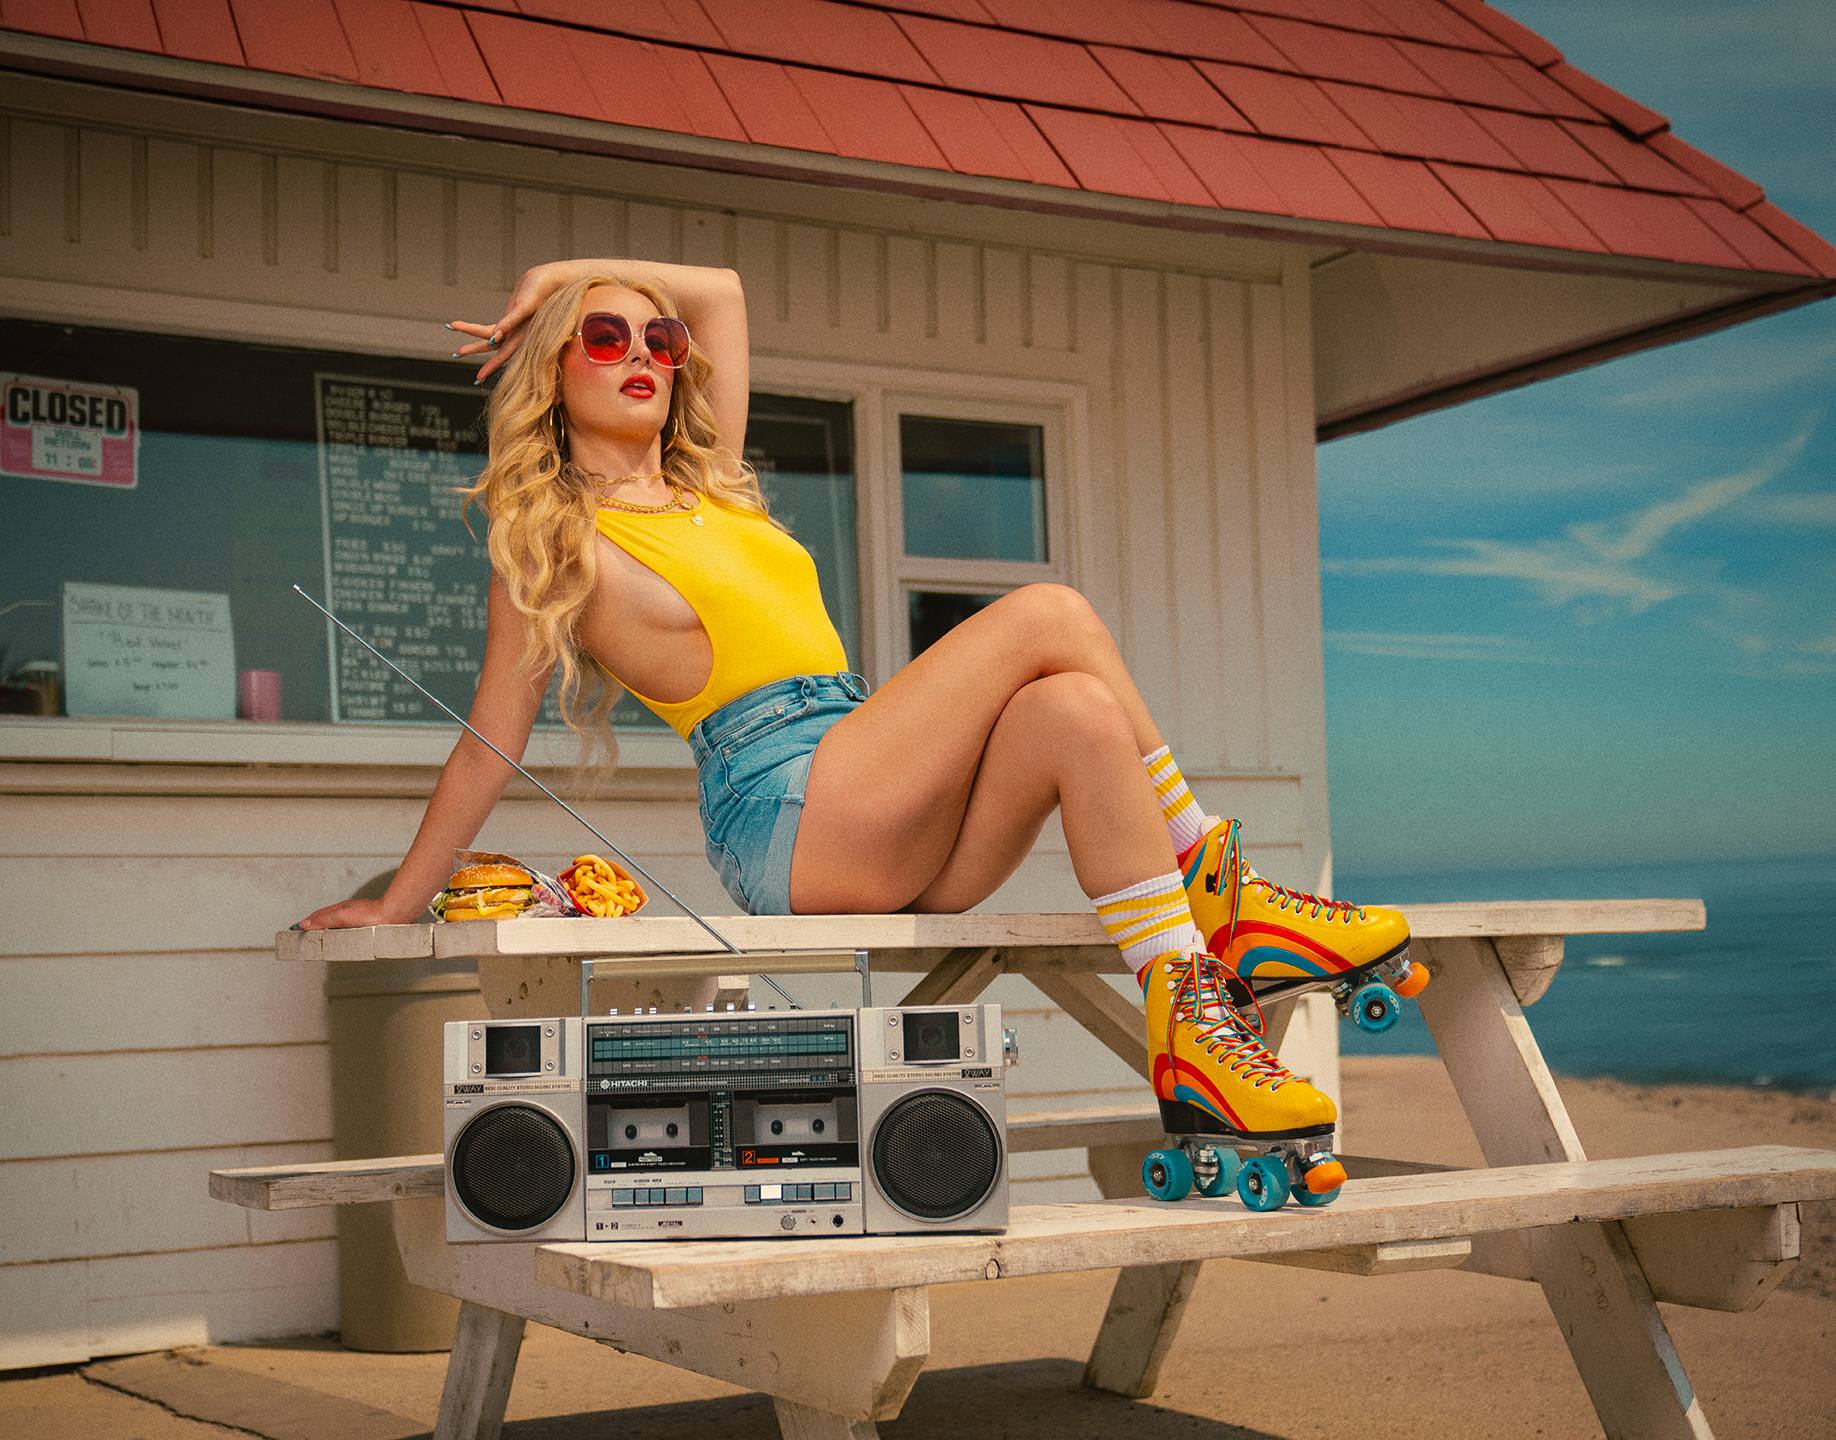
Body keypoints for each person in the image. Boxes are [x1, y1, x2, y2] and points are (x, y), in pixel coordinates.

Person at [301, 259, 1424, 1192]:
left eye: (658, 340)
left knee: (1075, 710)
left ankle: (1191, 1031)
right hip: (787, 808)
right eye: (602, 337)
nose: (645, 354)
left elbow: (728, 293)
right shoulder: (557, 539)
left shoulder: (718, 490)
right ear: (550, 368)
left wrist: (566, 270)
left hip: (872, 796)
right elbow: (490, 739)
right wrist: (396, 905)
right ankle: (1220, 895)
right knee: (1051, 613)